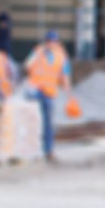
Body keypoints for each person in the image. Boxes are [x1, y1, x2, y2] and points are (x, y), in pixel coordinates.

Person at [24, 31, 71, 162]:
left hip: (49, 92)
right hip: (35, 90)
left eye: (53, 41)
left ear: (58, 43)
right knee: (32, 121)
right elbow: (27, 65)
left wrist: (68, 94)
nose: (51, 43)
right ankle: (30, 149)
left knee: (48, 123)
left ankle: (48, 150)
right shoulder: (38, 51)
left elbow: (65, 74)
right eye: (49, 41)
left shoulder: (62, 56)